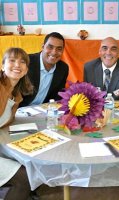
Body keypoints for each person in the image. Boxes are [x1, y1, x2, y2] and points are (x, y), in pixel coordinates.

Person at [0, 47, 33, 200]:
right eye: (12, 60)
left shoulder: (15, 94)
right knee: (25, 178)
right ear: (2, 66)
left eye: (22, 62)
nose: (17, 65)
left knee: (28, 164)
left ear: (26, 70)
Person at [20, 32, 69, 107]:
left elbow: (58, 95)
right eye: (50, 47)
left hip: (43, 111)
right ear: (43, 47)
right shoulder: (27, 61)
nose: (54, 52)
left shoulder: (63, 68)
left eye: (59, 49)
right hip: (19, 109)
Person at [84, 37, 119, 102]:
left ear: (118, 52)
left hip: (118, 111)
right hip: (94, 110)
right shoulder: (89, 68)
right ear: (99, 51)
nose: (108, 53)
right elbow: (86, 97)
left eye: (113, 49)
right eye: (105, 48)